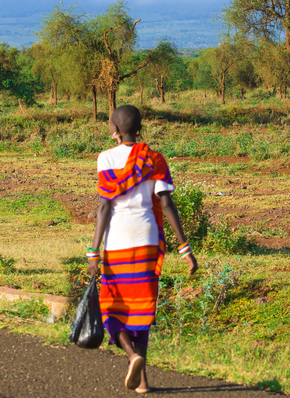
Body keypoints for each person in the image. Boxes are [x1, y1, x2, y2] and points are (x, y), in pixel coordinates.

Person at [88, 104, 198, 393]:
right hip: (148, 239)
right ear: (139, 128)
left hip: (118, 242)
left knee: (111, 305)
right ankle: (143, 381)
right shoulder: (155, 159)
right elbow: (167, 204)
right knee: (143, 309)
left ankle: (132, 355)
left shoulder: (106, 159)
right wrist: (185, 248)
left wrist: (93, 252)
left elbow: (104, 207)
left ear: (114, 129)